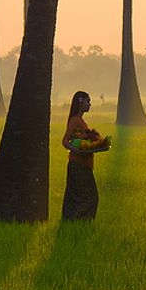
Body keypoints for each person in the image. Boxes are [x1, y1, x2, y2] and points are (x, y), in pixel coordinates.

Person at [61, 91, 101, 220]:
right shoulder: (75, 121)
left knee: (76, 196)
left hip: (81, 163)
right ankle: (77, 221)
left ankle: (72, 222)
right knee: (91, 197)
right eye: (87, 101)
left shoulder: (81, 121)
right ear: (80, 102)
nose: (89, 104)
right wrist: (77, 150)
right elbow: (65, 141)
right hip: (78, 164)